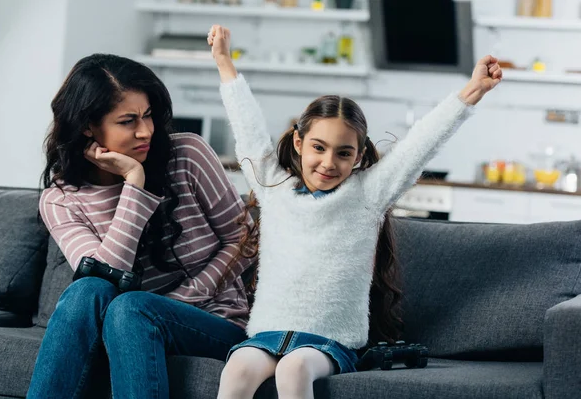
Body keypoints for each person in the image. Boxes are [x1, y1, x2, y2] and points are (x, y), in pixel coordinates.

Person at [207, 25, 502, 399]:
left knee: (294, 367)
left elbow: (419, 145)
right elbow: (247, 130)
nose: (329, 162)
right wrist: (224, 63)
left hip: (329, 342)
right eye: (318, 147)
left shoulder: (367, 195)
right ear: (298, 143)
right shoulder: (274, 188)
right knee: (235, 371)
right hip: (266, 333)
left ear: (359, 156)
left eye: (344, 153)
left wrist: (472, 91)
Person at [27, 53, 255, 399]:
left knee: (131, 306)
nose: (145, 130)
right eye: (127, 121)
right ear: (88, 126)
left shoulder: (188, 154)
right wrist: (135, 183)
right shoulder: (61, 200)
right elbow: (103, 279)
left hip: (214, 321)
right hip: (123, 327)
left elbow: (246, 239)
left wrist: (182, 299)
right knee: (88, 290)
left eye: (148, 115)